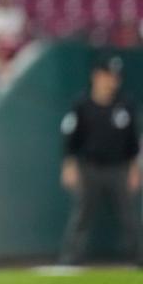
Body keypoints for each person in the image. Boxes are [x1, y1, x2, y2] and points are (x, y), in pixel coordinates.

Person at [59, 55, 143, 265]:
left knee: (129, 217)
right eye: (107, 75)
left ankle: (139, 257)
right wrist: (69, 165)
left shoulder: (125, 104)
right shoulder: (82, 104)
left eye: (115, 76)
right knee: (81, 216)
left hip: (119, 168)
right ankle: (70, 259)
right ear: (96, 76)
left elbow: (133, 142)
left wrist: (135, 169)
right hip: (90, 167)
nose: (112, 80)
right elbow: (71, 138)